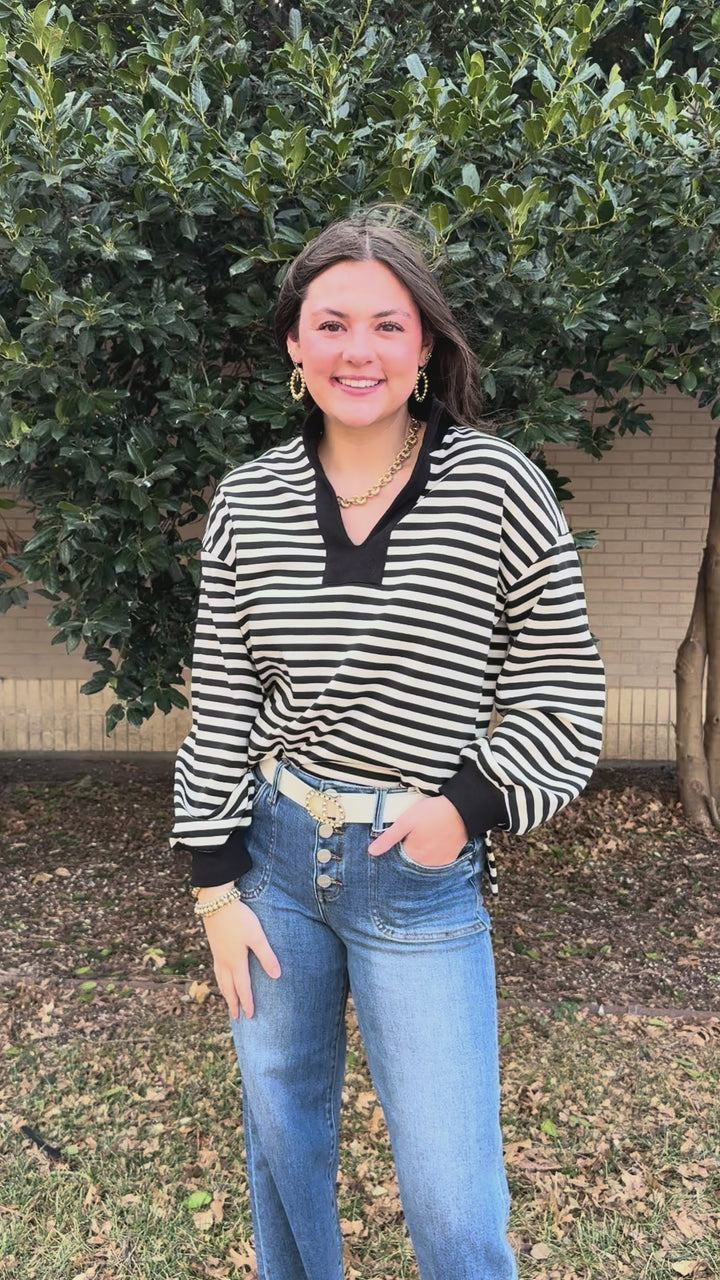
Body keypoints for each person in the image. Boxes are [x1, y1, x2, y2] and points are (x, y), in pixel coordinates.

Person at [171, 214, 605, 1280]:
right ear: (293, 344)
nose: (355, 350)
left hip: (417, 875)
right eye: (330, 324)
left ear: (424, 347)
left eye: (385, 324)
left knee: (456, 1210)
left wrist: (464, 806)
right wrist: (214, 891)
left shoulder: (497, 486)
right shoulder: (249, 500)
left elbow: (567, 693)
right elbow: (222, 703)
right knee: (282, 1154)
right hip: (272, 870)